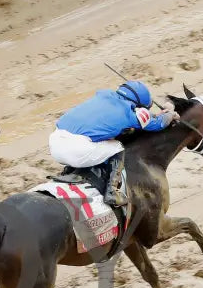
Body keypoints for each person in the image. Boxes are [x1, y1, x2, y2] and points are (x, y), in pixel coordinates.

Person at [49, 80, 179, 206]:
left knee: (96, 136)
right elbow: (158, 124)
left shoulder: (103, 95)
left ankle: (68, 171)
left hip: (54, 141)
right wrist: (170, 113)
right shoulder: (128, 113)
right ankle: (112, 191)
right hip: (75, 151)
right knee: (117, 147)